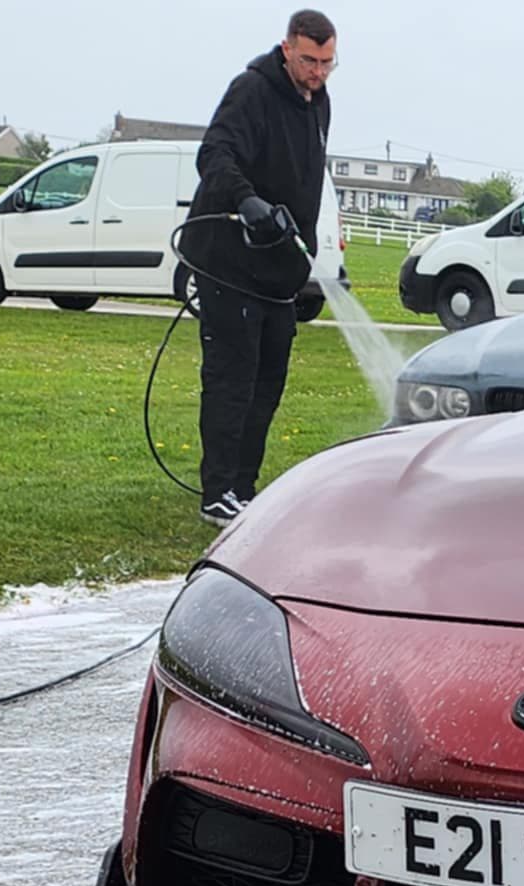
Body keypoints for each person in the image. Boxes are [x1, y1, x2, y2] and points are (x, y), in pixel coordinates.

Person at [184, 10, 336, 528]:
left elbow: (306, 179)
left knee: (269, 376)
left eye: (327, 63)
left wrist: (304, 251)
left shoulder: (320, 104)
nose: (317, 72)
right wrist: (247, 202)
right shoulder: (251, 90)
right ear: (287, 49)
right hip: (229, 259)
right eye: (309, 61)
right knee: (233, 377)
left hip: (279, 267)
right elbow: (215, 154)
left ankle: (243, 487)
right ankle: (216, 491)